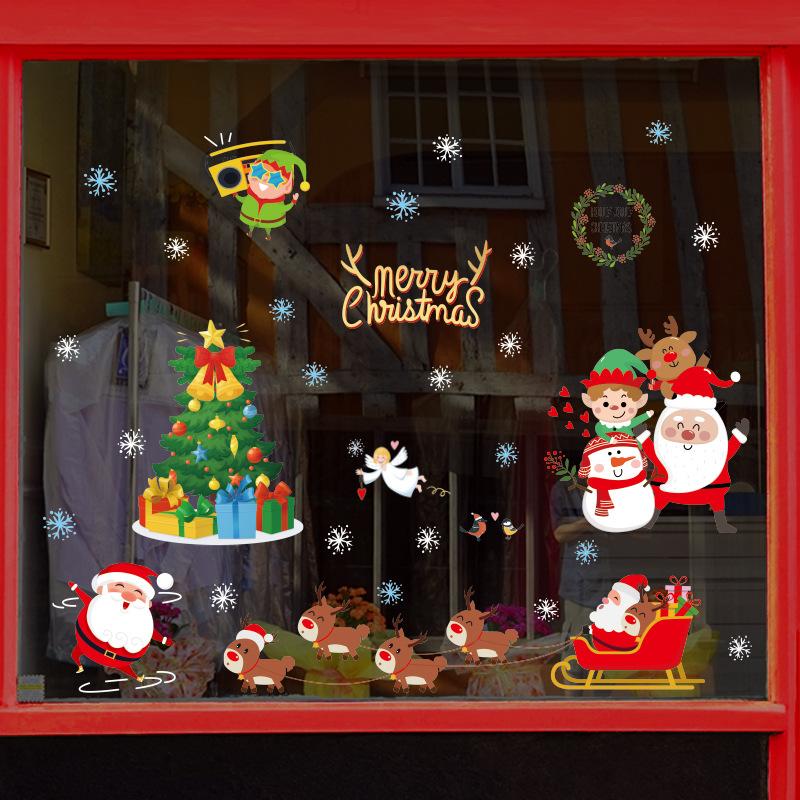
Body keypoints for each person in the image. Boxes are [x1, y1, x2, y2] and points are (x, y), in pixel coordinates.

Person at [67, 562, 174, 681]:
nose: (128, 595)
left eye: (138, 592)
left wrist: (163, 640)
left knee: (125, 669)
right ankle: (79, 665)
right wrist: (76, 589)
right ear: (103, 588)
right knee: (78, 654)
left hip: (120, 659)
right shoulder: (98, 608)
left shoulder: (140, 620)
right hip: (90, 650)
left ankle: (135, 677)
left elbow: (148, 632)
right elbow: (85, 599)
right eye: (120, 586)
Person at [356, 445, 426, 497]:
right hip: (391, 482)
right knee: (404, 486)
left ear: (386, 457)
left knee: (405, 481)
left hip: (395, 479)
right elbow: (374, 474)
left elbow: (396, 471)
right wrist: (363, 473)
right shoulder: (379, 468)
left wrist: (405, 472)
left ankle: (420, 478)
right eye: (378, 457)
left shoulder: (389, 465)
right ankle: (418, 485)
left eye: (383, 457)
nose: (380, 459)